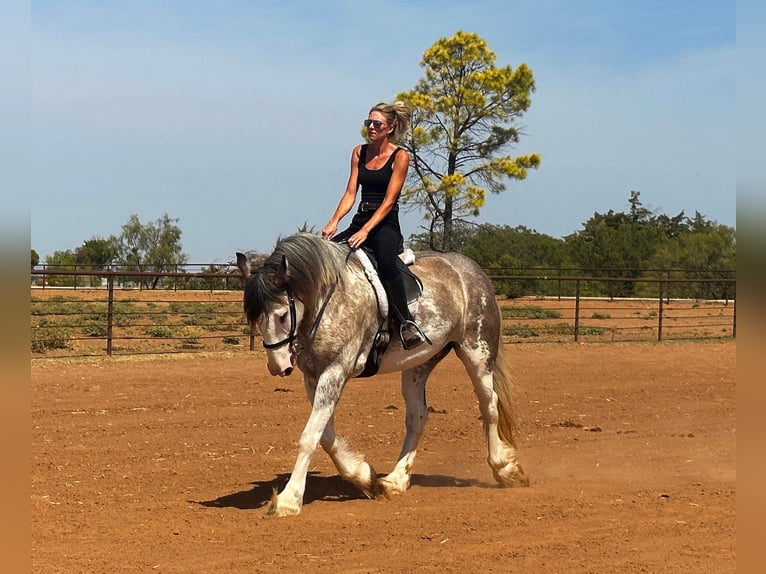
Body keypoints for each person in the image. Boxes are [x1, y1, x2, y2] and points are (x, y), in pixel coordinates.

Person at [322, 101, 430, 350]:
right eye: (368, 122)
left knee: (385, 260)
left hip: (385, 223)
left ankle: (406, 322)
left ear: (390, 128)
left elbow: (390, 201)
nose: (371, 127)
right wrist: (334, 221)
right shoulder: (359, 152)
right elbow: (350, 194)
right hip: (360, 218)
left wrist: (366, 231)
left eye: (376, 124)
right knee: (329, 256)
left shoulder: (401, 156)